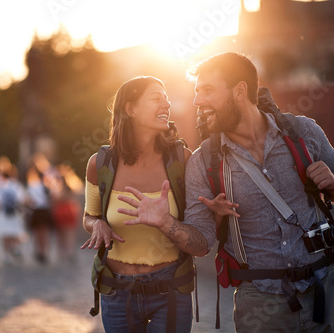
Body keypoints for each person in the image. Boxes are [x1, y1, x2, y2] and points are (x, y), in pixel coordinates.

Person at [118, 53, 334, 332]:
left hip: (325, 291)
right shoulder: (203, 162)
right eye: (196, 93)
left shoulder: (303, 132)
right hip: (260, 305)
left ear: (239, 91)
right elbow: (202, 243)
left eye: (207, 90)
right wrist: (165, 223)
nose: (198, 102)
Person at [80, 76, 194, 332]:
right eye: (156, 98)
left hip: (171, 288)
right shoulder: (99, 164)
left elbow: (198, 223)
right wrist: (96, 224)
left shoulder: (182, 159)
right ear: (130, 109)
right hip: (118, 292)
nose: (166, 103)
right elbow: (89, 216)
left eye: (166, 97)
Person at [0, 156, 27, 264]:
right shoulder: (16, 185)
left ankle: (6, 253)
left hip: (3, 213)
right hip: (14, 213)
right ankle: (14, 248)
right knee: (14, 233)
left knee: (5, 235)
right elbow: (22, 200)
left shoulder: (0, 186)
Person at [26, 153, 55, 265]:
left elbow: (29, 200)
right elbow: (52, 199)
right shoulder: (47, 186)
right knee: (44, 233)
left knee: (37, 233)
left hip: (37, 211)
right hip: (44, 211)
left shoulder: (32, 184)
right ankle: (43, 252)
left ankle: (39, 251)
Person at [51, 163, 82, 262]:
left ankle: (62, 252)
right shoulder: (72, 186)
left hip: (60, 210)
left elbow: (54, 199)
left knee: (60, 233)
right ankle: (70, 251)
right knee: (69, 233)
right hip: (69, 210)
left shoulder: (57, 187)